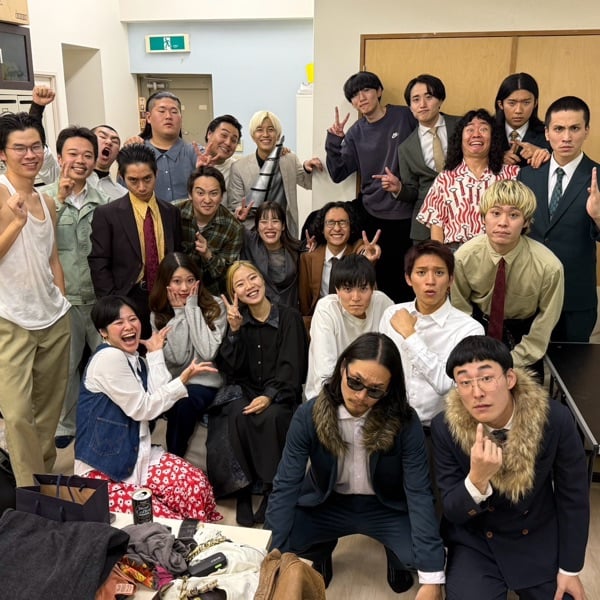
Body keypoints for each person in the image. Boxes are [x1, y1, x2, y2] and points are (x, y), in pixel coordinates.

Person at [265, 332, 445, 597]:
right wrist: (273, 560)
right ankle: (320, 552)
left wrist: (432, 580)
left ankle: (395, 557)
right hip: (326, 503)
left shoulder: (405, 422)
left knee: (424, 557)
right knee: (285, 537)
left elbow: (419, 493)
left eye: (375, 390)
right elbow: (286, 485)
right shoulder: (309, 415)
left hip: (385, 507)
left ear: (389, 388)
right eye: (355, 382)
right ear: (343, 368)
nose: (361, 396)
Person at [431, 335, 589, 600]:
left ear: (510, 379)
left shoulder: (555, 419)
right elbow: (453, 511)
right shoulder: (445, 427)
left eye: (486, 378)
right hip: (477, 541)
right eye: (465, 382)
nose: (477, 392)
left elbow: (573, 497)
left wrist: (570, 569)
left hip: (535, 535)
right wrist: (477, 480)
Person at [75, 295, 221, 521]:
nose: (128, 326)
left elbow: (159, 400)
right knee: (158, 521)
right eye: (119, 322)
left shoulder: (137, 361)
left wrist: (155, 354)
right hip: (103, 470)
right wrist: (182, 380)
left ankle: (200, 535)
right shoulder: (108, 358)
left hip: (137, 458)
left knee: (195, 484)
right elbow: (144, 409)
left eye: (132, 319)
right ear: (103, 332)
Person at [0, 112, 71, 487]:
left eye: (36, 146)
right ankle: (28, 488)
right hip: (11, 318)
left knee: (48, 413)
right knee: (16, 414)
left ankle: (41, 479)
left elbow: (52, 257)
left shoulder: (47, 200)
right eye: (19, 148)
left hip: (53, 318)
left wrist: (60, 295)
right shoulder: (1, 193)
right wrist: (15, 222)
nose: (30, 155)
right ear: (3, 153)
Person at [211, 261, 308, 527]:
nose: (249, 286)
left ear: (262, 279)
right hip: (247, 388)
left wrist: (269, 395)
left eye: (252, 278)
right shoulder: (238, 320)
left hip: (281, 391)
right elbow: (231, 369)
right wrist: (234, 332)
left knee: (271, 416)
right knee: (234, 412)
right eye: (240, 284)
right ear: (235, 293)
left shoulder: (288, 317)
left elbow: (293, 364)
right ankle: (242, 489)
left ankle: (270, 488)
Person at [41, 126, 110, 449]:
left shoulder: (105, 202)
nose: (80, 161)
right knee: (65, 368)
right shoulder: (43, 198)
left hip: (98, 298)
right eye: (73, 154)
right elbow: (36, 241)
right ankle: (64, 424)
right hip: (61, 300)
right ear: (59, 158)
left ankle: (106, 418)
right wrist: (59, 199)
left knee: (106, 362)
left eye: (87, 155)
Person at [451, 180, 564, 373]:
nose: (503, 223)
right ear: (483, 217)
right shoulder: (464, 257)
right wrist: (473, 352)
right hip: (477, 331)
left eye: (514, 215)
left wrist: (513, 360)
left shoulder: (549, 267)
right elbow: (460, 310)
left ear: (526, 222)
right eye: (495, 213)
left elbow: (544, 324)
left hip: (524, 338)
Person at [325, 71, 417, 302]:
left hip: (406, 211)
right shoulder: (356, 132)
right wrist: (334, 141)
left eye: (366, 90)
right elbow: (338, 173)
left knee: (408, 280)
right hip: (373, 213)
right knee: (378, 281)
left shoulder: (404, 116)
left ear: (379, 91)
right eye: (354, 96)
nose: (361, 98)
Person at [519, 96, 600, 342]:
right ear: (547, 133)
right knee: (526, 364)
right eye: (559, 129)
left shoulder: (597, 176)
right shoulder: (527, 175)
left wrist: (598, 216)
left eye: (574, 128)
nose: (566, 137)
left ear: (586, 130)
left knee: (574, 364)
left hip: (575, 298)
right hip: (530, 295)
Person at [379, 241, 483, 426]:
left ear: (451, 280)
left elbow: (446, 385)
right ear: (408, 278)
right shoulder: (392, 315)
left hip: (441, 428)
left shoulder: (469, 329)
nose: (430, 281)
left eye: (439, 273)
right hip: (390, 422)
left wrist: (410, 335)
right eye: (421, 272)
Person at [89, 143, 182, 337]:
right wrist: (112, 303)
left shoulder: (171, 212)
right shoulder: (108, 214)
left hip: (166, 294)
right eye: (133, 180)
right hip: (128, 296)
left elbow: (177, 255)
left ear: (156, 174)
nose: (141, 187)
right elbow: (99, 263)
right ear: (122, 178)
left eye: (147, 178)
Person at [149, 252, 226, 457]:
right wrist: (179, 314)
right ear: (166, 283)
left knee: (184, 402)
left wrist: (191, 308)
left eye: (190, 280)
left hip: (204, 382)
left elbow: (207, 351)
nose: (184, 288)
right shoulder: (158, 315)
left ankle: (174, 458)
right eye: (177, 281)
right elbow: (179, 358)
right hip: (174, 381)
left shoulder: (215, 306)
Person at [417, 108, 519, 248]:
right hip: (456, 252)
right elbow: (437, 227)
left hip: (500, 251)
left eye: (483, 129)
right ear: (460, 138)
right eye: (470, 129)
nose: (476, 134)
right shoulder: (446, 178)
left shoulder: (511, 174)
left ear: (493, 138)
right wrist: (440, 256)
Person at [305, 254, 393, 402]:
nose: (356, 297)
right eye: (347, 289)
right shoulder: (327, 309)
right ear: (337, 290)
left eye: (363, 289)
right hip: (330, 394)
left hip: (374, 394)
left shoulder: (383, 303)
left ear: (373, 288)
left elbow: (392, 359)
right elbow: (325, 371)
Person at [227, 110, 322, 238]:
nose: (265, 134)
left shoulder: (289, 159)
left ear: (278, 135)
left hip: (285, 233)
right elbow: (234, 206)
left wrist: (306, 168)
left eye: (271, 129)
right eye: (259, 130)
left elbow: (308, 183)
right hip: (252, 234)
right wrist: (240, 212)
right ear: (253, 135)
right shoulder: (239, 167)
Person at [397, 74, 461, 242]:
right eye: (416, 100)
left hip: (464, 214)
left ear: (440, 100)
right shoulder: (405, 148)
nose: (422, 104)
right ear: (410, 107)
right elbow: (412, 191)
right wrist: (398, 189)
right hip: (425, 224)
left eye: (429, 97)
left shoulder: (463, 126)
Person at [298, 200, 380, 328]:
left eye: (342, 223)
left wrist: (369, 260)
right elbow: (305, 302)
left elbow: (364, 252)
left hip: (353, 322)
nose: (337, 228)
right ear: (322, 228)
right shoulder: (309, 258)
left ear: (351, 227)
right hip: (320, 322)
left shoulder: (357, 253)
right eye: (331, 223)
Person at [179, 165, 243, 296]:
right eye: (200, 193)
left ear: (222, 196)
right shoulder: (174, 213)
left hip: (212, 293)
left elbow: (229, 274)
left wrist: (208, 255)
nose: (207, 200)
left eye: (214, 193)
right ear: (190, 194)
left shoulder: (233, 227)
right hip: (176, 288)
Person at [241, 200, 302, 308]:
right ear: (257, 226)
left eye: (275, 221)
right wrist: (237, 219)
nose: (269, 226)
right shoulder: (249, 242)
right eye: (264, 222)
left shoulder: (297, 249)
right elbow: (226, 225)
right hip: (257, 312)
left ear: (283, 226)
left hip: (289, 312)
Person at [494, 72, 550, 169]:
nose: (518, 110)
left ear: (535, 103)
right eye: (512, 103)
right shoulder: (488, 131)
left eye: (526, 103)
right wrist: (496, 159)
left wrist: (542, 155)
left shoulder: (547, 134)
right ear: (500, 104)